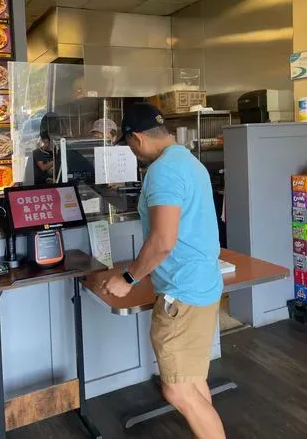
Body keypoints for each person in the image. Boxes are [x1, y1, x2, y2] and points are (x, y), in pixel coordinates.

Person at [103, 102, 225, 439]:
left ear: (138, 138)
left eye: (129, 144)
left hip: (181, 295)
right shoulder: (188, 161)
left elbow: (162, 241)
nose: (131, 151)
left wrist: (128, 278)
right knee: (192, 381)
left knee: (177, 390)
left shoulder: (163, 171)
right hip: (202, 285)